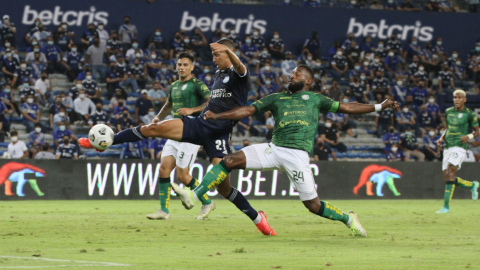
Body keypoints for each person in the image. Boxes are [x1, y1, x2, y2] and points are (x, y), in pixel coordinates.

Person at [173, 64, 398, 237]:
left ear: (308, 81)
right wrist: (218, 115)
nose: (292, 76)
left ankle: (348, 219)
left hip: (297, 155)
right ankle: (195, 193)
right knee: (228, 160)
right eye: (292, 74)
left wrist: (379, 106)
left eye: (297, 74)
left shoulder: (316, 99)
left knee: (313, 205)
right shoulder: (276, 98)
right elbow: (247, 110)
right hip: (274, 149)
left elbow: (348, 107)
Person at [80, 39, 278, 235]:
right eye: (214, 54)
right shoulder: (217, 73)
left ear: (228, 53)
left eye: (217, 54)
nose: (213, 58)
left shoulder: (239, 75)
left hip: (219, 133)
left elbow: (241, 66)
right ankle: (108, 141)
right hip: (200, 125)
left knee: (224, 189)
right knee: (153, 128)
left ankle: (258, 219)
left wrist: (227, 50)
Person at [145, 52, 213, 220]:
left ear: (192, 67)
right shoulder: (174, 85)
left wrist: (192, 110)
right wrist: (158, 118)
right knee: (164, 169)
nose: (182, 67)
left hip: (192, 132)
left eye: (185, 64)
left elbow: (212, 102)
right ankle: (164, 211)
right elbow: (169, 105)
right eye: (179, 64)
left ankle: (207, 201)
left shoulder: (197, 84)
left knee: (183, 175)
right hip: (175, 132)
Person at [435, 90, 479, 213]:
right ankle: (472, 185)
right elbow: (448, 128)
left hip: (459, 146)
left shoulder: (469, 114)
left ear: (465, 99)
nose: (457, 100)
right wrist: (441, 138)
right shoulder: (448, 111)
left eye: (460, 98)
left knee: (450, 173)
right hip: (448, 146)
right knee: (447, 178)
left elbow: (477, 131)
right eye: (455, 97)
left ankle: (446, 207)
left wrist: (468, 137)